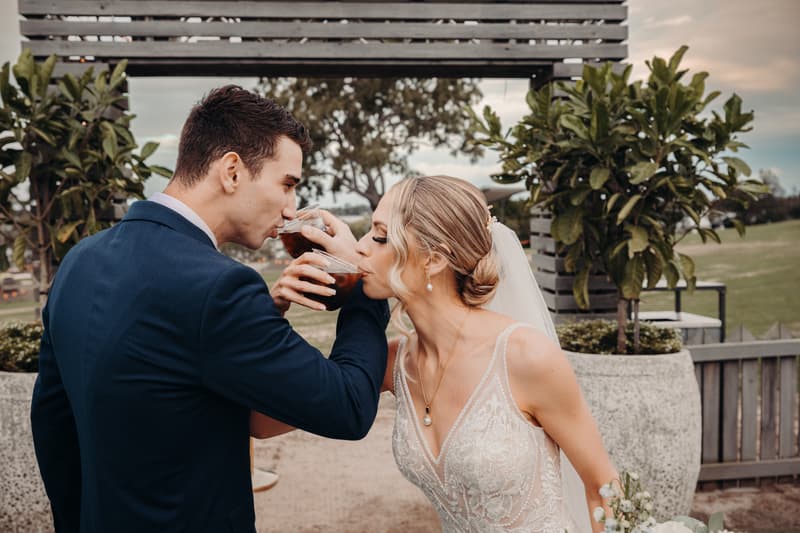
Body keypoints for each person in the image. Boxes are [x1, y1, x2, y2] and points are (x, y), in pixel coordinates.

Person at [30, 85, 390, 533]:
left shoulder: (80, 261)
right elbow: (348, 406)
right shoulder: (220, 287)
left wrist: (269, 309)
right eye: (287, 184)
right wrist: (359, 286)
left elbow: (52, 427)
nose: (291, 209)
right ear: (233, 171)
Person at [264, 175, 619, 532]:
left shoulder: (524, 356)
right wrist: (273, 311)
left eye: (380, 236)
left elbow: (604, 490)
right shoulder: (392, 364)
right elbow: (261, 423)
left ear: (433, 260)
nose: (360, 248)